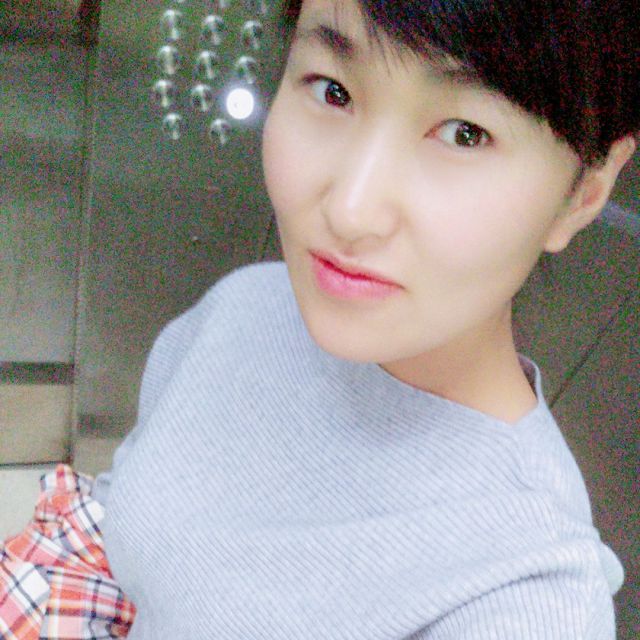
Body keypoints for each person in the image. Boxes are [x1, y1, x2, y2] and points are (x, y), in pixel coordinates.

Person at [1, 0, 638, 638]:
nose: (350, 211)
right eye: (333, 90)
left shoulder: (524, 598)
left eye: (465, 133)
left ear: (585, 191)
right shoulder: (248, 307)